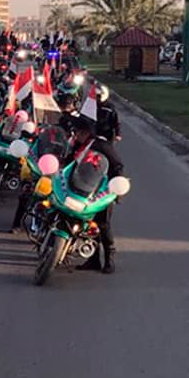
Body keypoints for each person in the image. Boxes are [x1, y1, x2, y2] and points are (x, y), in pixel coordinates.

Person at [69, 116, 120, 274]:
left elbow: (118, 165)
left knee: (102, 225)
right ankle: (93, 259)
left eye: (77, 132)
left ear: (86, 132)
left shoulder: (102, 145)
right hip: (80, 189)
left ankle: (109, 259)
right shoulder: (78, 145)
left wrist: (116, 189)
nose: (75, 135)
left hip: (101, 191)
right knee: (84, 225)